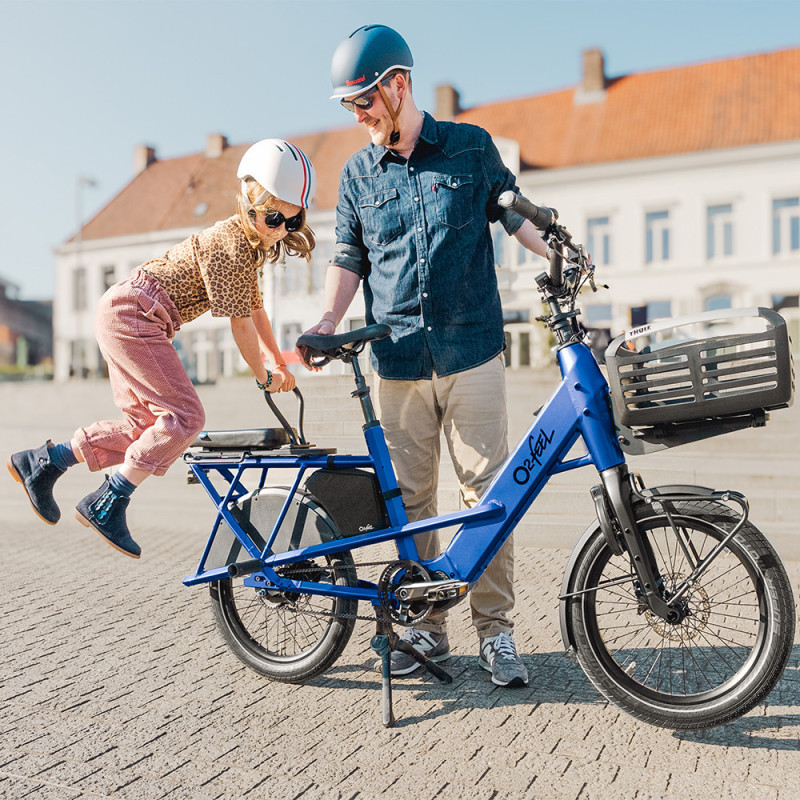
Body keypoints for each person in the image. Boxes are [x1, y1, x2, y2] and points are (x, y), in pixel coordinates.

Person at [299, 25, 551, 688]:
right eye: (349, 106)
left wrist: (560, 251)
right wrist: (328, 317)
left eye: (362, 102)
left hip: (472, 351)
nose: (356, 116)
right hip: (400, 361)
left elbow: (510, 210)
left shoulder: (469, 148)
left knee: (489, 498)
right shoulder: (357, 174)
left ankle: (496, 633)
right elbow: (349, 258)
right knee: (412, 502)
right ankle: (426, 628)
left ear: (397, 85)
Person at [8, 139, 316, 560]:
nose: (280, 229)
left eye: (292, 223)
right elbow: (240, 323)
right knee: (186, 417)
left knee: (145, 429)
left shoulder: (248, 248)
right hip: (136, 316)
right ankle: (109, 500)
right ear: (247, 199)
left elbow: (256, 308)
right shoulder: (230, 243)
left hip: (127, 312)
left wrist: (279, 361)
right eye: (273, 216)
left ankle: (43, 464)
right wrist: (262, 375)